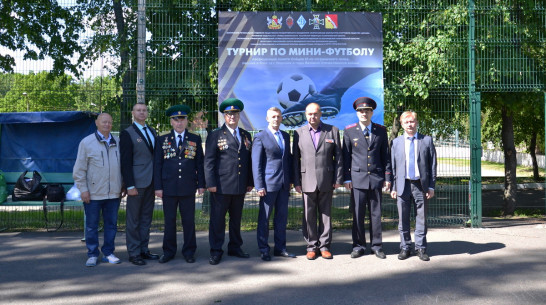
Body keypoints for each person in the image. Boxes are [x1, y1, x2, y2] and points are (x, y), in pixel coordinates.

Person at [153, 105, 205, 264]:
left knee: (189, 222)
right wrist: (158, 187)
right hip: (168, 187)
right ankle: (168, 251)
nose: (179, 122)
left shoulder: (195, 139)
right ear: (171, 122)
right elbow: (158, 165)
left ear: (187, 121)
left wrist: (201, 184)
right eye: (176, 119)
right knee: (169, 222)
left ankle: (189, 251)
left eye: (182, 119)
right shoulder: (162, 139)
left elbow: (200, 164)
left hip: (188, 187)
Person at [205, 98, 254, 265]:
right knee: (217, 220)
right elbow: (209, 161)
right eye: (228, 114)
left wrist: (250, 181)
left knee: (236, 219)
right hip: (221, 186)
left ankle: (235, 247)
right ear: (224, 116)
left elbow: (248, 161)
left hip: (240, 185)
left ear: (239, 115)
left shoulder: (246, 135)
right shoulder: (215, 135)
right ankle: (216, 250)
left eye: (235, 113)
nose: (232, 116)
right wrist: (210, 183)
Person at [342, 97, 391, 259]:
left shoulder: (381, 130)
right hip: (357, 179)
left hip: (376, 178)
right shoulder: (349, 131)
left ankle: (376, 246)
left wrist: (387, 177)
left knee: (376, 215)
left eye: (367, 110)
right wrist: (347, 178)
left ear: (372, 112)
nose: (364, 113)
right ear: (357, 113)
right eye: (361, 111)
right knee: (358, 214)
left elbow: (386, 157)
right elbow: (345, 157)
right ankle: (358, 246)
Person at [293, 103, 343, 260]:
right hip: (306, 179)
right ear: (305, 115)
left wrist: (338, 178)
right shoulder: (298, 133)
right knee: (308, 215)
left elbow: (339, 158)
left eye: (315, 114)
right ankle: (311, 246)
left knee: (326, 214)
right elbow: (295, 160)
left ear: (321, 114)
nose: (312, 117)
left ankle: (325, 246)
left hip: (326, 179)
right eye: (309, 114)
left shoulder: (332, 131)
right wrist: (296, 181)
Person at [73, 113, 123, 267]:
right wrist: (83, 189)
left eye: (109, 122)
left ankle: (108, 253)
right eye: (104, 122)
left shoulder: (118, 142)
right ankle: (93, 254)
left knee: (111, 225)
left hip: (114, 193)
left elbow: (123, 167)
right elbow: (79, 169)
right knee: (91, 226)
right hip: (93, 193)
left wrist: (122, 184)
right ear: (97, 123)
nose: (107, 124)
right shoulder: (86, 143)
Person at [390, 111, 437, 261]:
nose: (410, 124)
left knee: (421, 218)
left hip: (420, 185)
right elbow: (392, 166)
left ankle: (421, 248)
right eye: (406, 122)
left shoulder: (427, 140)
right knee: (403, 219)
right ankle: (405, 247)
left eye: (412, 121)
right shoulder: (396, 142)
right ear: (402, 124)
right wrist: (393, 187)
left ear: (416, 122)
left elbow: (433, 165)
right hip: (402, 185)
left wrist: (431, 186)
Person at [252, 107, 296, 261]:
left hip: (284, 185)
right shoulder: (260, 137)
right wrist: (259, 185)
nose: (276, 119)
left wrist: (290, 180)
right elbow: (256, 163)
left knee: (281, 218)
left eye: (278, 116)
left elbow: (287, 160)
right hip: (268, 185)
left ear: (281, 118)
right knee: (264, 219)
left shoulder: (285, 135)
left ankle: (280, 248)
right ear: (267, 119)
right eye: (273, 117)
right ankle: (264, 249)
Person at [120, 103, 160, 266]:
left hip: (151, 182)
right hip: (136, 184)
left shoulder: (151, 131)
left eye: (144, 110)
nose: (142, 112)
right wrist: (129, 185)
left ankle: (144, 250)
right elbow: (125, 162)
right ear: (133, 113)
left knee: (146, 218)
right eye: (138, 110)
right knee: (133, 220)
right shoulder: (127, 133)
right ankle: (134, 252)